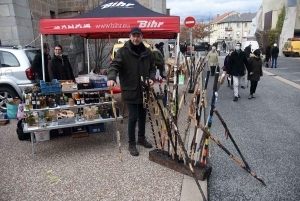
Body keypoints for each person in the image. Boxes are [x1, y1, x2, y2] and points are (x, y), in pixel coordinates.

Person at [107, 27, 156, 156]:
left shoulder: (147, 52)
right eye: (133, 36)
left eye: (138, 36)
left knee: (142, 116)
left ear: (141, 37)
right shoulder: (123, 51)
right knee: (133, 117)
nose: (135, 38)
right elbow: (114, 66)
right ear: (130, 36)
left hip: (143, 90)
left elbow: (152, 67)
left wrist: (151, 78)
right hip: (130, 90)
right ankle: (131, 143)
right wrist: (111, 78)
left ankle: (141, 138)